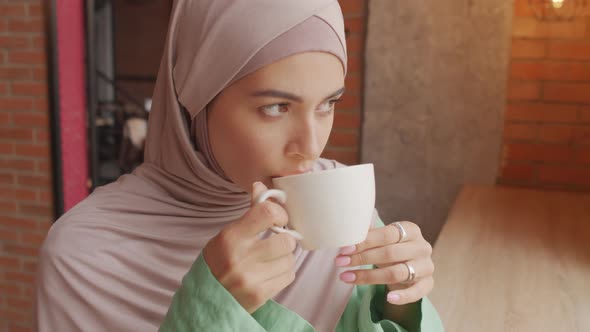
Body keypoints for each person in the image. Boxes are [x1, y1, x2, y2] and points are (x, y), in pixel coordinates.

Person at [35, 1, 444, 331]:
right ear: (195, 101)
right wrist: (208, 310)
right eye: (275, 107)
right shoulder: (84, 256)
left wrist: (400, 306)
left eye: (327, 104)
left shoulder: (339, 202)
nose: (311, 147)